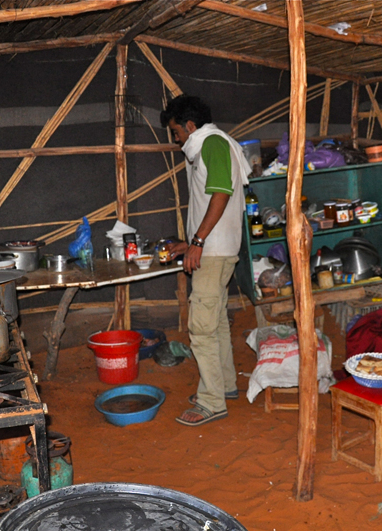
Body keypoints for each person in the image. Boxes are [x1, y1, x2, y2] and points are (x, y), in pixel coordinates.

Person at [160, 95, 252, 427]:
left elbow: (221, 193)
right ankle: (224, 386)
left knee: (200, 327)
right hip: (216, 247)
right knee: (217, 322)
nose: (176, 139)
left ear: (190, 125)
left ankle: (211, 401)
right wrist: (190, 243)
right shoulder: (211, 145)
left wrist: (198, 242)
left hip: (213, 250)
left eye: (175, 131)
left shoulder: (212, 142)